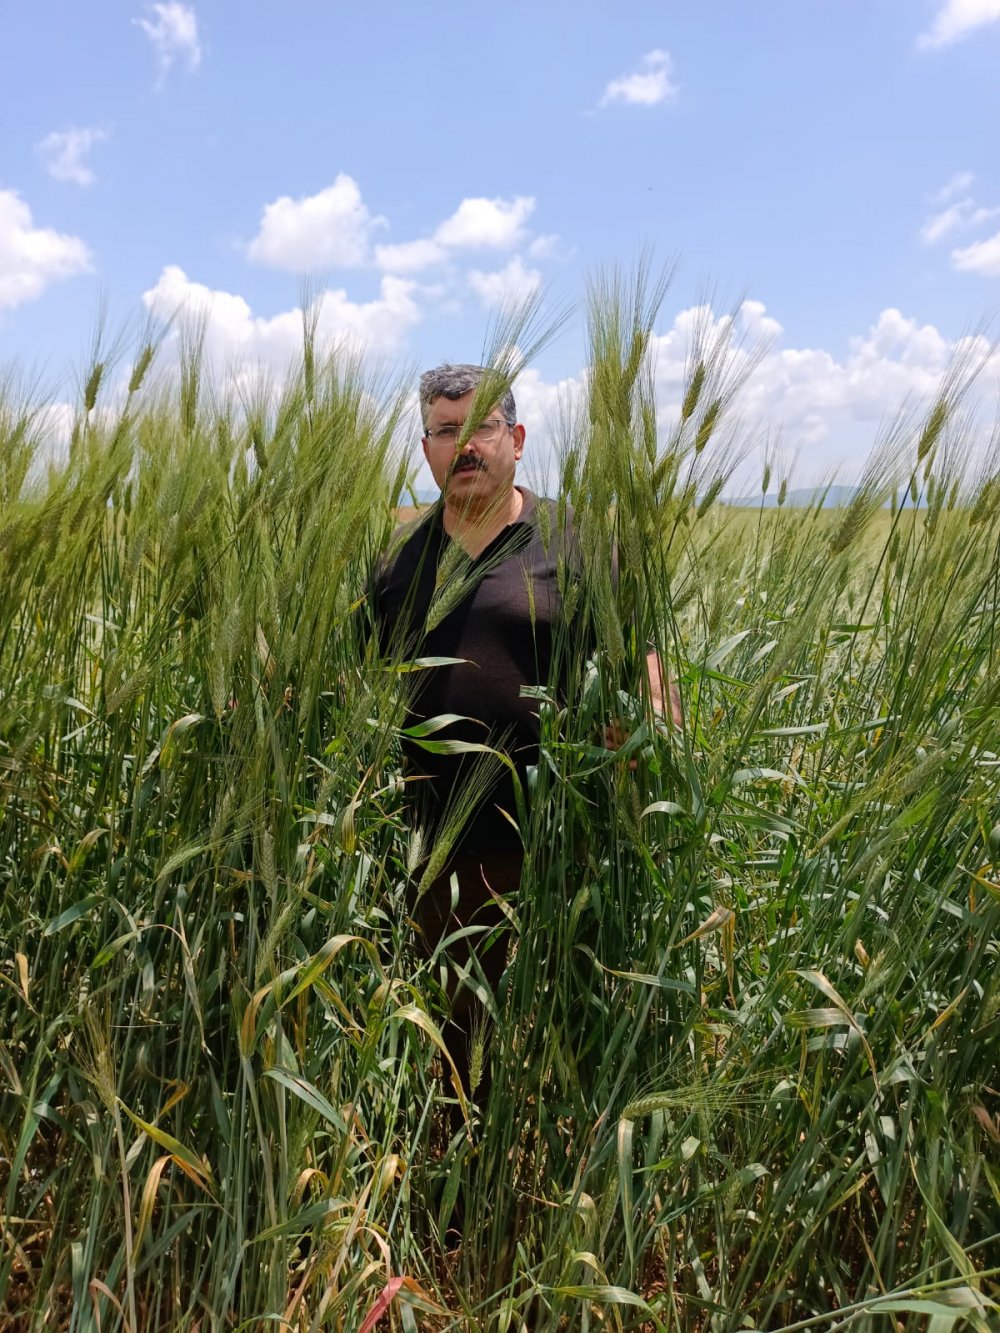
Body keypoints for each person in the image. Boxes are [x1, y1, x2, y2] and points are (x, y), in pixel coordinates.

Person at [368, 362, 677, 1118]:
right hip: (424, 864)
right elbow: (345, 676)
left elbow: (644, 663)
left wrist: (656, 732)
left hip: (554, 864)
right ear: (425, 450)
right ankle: (448, 1212)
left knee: (549, 1063)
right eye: (445, 432)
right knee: (447, 1068)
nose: (463, 446)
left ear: (519, 438)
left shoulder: (576, 542)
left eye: (481, 428)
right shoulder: (395, 566)